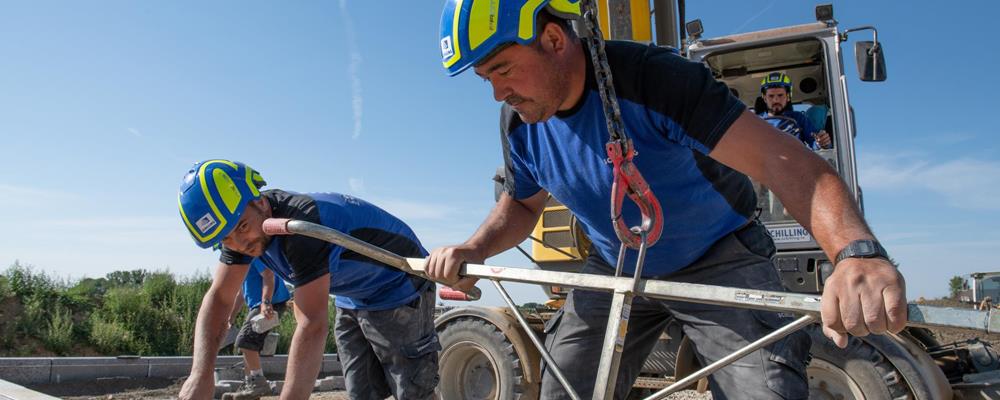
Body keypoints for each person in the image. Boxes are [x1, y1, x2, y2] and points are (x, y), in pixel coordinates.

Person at [428, 2, 905, 399]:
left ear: (554, 39)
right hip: (615, 261)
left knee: (763, 391)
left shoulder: (655, 82)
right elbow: (522, 204)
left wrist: (855, 252)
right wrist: (475, 249)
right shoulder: (520, 122)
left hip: (718, 255)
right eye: (485, 79)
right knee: (567, 386)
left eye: (503, 70)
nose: (497, 93)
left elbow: (783, 161)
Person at [177, 160, 439, 400]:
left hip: (400, 286)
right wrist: (200, 374)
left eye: (242, 228)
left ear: (259, 201)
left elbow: (312, 324)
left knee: (412, 390)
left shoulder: (302, 227)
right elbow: (220, 298)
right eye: (225, 238)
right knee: (362, 393)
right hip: (352, 295)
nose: (239, 244)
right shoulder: (240, 228)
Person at [223, 259, 292, 399]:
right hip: (260, 304)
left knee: (244, 341)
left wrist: (266, 302)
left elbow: (269, 275)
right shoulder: (242, 259)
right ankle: (251, 387)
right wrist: (231, 316)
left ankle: (258, 384)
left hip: (271, 303)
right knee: (249, 347)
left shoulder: (252, 252)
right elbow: (242, 292)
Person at [758, 71, 833, 149]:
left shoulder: (799, 118)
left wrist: (822, 143)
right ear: (764, 98)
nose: (776, 100)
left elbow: (814, 143)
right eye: (771, 96)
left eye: (780, 95)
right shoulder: (756, 121)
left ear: (788, 96)